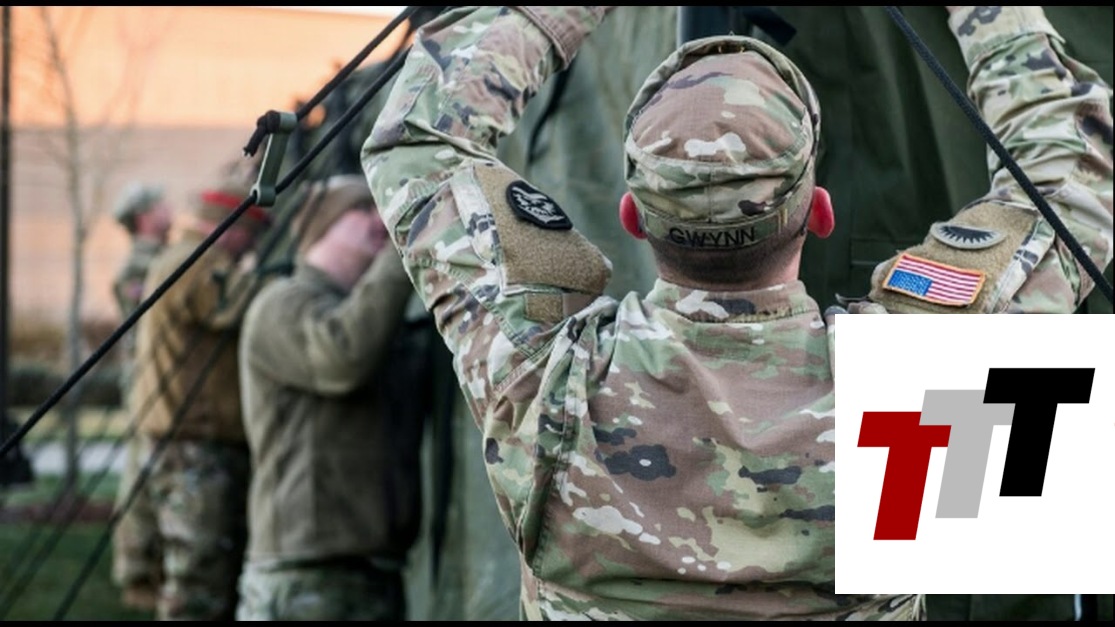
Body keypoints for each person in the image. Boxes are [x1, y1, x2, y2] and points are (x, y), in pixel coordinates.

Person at [361, 4, 1113, 621]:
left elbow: (417, 137)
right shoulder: (910, 392)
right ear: (820, 212)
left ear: (630, 216)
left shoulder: (541, 378)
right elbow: (1069, 172)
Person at [234, 175, 422, 621]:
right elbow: (343, 359)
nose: (382, 220)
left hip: (372, 568)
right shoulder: (281, 304)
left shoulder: (372, 313)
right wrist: (404, 250)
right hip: (305, 572)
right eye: (364, 208)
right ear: (322, 224)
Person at [131, 170, 272, 620]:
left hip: (185, 445)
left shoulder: (180, 257)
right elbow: (244, 306)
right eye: (252, 235)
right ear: (232, 227)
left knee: (199, 573)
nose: (251, 247)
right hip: (195, 448)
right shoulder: (198, 262)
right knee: (199, 583)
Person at [108, 182, 175, 612]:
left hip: (154, 378)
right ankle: (134, 566)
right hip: (145, 381)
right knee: (140, 470)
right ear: (146, 216)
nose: (171, 212)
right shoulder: (140, 268)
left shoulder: (156, 260)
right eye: (163, 206)